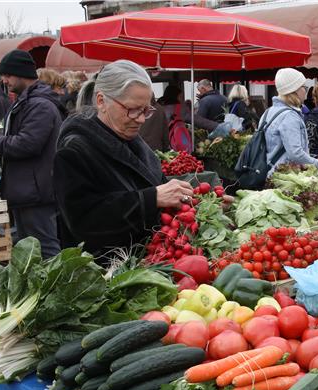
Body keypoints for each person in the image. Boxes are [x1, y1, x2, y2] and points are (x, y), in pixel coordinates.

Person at [52, 60, 204, 260]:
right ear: (101, 101)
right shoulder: (74, 151)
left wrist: (200, 202)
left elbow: (159, 191)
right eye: (133, 109)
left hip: (146, 260)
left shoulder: (130, 139)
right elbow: (83, 220)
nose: (141, 119)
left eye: (146, 111)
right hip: (101, 274)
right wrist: (151, 198)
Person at [0, 50, 63, 258]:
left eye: (7, 75)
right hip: (27, 191)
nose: (4, 80)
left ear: (19, 73)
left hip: (36, 192)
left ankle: (59, 288)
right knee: (29, 249)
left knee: (45, 248)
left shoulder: (40, 105)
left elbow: (28, 143)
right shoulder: (27, 102)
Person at [263, 68, 318, 175]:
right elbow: (295, 154)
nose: (306, 92)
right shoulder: (290, 116)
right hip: (286, 178)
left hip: (271, 173)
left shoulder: (268, 112)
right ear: (295, 90)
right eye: (304, 87)